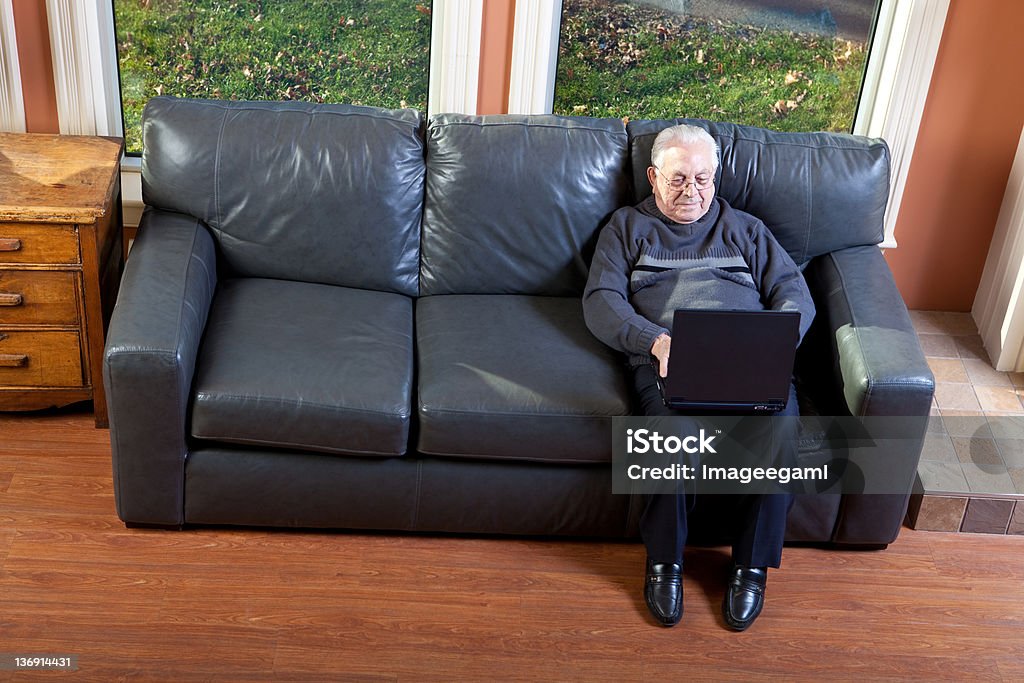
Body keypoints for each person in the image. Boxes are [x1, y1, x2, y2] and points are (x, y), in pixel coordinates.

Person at [582, 123, 815, 630]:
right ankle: (665, 563)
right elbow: (602, 302)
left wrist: (772, 344)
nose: (693, 191)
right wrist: (654, 341)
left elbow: (794, 294)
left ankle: (750, 569)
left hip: (748, 360)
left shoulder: (747, 230)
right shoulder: (625, 227)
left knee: (778, 440)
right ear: (652, 176)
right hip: (666, 360)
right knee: (666, 443)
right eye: (679, 179)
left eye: (704, 179)